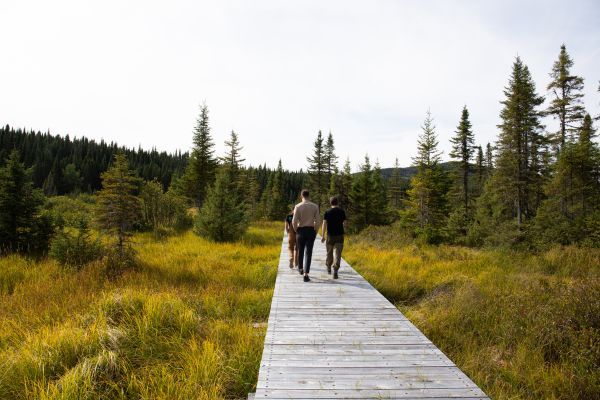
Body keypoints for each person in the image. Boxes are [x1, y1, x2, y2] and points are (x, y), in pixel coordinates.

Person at [291, 189, 320, 282]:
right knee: (309, 252)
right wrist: (316, 231)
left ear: (301, 196)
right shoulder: (315, 206)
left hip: (301, 231)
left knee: (300, 250)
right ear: (309, 196)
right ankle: (306, 274)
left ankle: (300, 268)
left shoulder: (297, 206)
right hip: (311, 230)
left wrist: (296, 230)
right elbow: (318, 221)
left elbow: (294, 221)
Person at [321, 196, 347, 279]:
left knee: (329, 252)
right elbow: (345, 223)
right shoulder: (342, 211)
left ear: (330, 203)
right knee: (338, 253)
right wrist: (344, 231)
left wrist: (322, 235)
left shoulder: (327, 212)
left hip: (330, 235)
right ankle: (335, 269)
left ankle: (328, 267)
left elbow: (324, 224)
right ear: (337, 202)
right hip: (339, 235)